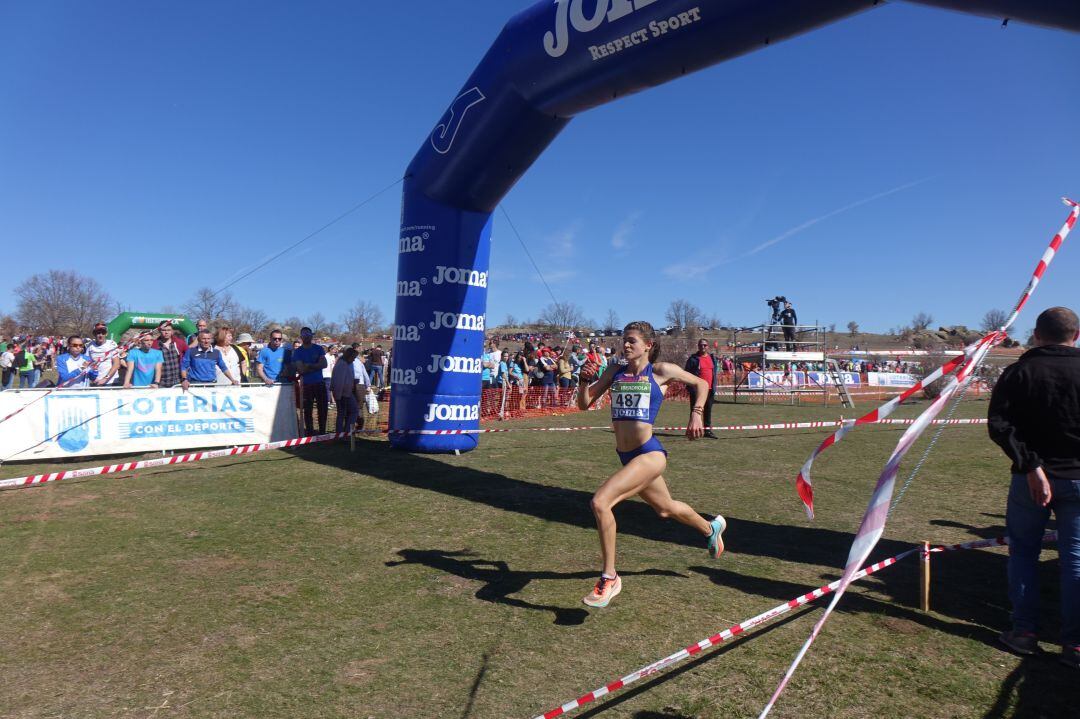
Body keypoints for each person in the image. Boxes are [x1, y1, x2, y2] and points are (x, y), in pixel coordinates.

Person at [576, 321, 726, 607]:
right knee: (665, 508)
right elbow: (584, 404)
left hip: (649, 454)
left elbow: (702, 383)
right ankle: (710, 529)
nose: (626, 345)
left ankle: (609, 578)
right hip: (627, 456)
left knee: (600, 503)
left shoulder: (660, 371)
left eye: (632, 340)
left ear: (649, 345)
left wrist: (696, 413)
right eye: (624, 340)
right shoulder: (614, 371)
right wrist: (583, 381)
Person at [988, 306, 1080, 669]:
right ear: (1075, 335)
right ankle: (1073, 643)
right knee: (1075, 560)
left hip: (1031, 480)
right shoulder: (1020, 370)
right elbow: (1000, 422)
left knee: (1024, 553)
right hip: (1066, 478)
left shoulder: (1019, 371)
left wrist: (1031, 466)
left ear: (1037, 335)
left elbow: (999, 425)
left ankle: (1024, 631)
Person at [291, 327, 328, 436]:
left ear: (312, 336)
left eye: (308, 335)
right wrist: (316, 365)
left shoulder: (318, 349)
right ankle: (310, 432)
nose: (307, 337)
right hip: (306, 385)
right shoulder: (298, 352)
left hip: (320, 383)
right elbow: (300, 369)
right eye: (304, 335)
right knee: (308, 411)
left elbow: (324, 364)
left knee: (323, 409)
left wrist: (309, 365)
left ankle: (322, 432)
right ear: (301, 337)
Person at [685, 338, 720, 438]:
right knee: (695, 411)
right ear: (698, 346)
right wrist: (690, 388)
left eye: (704, 345)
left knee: (708, 410)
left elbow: (714, 373)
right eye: (701, 345)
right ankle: (692, 430)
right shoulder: (693, 359)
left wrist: (714, 386)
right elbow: (686, 373)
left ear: (708, 346)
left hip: (709, 389)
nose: (703, 347)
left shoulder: (712, 358)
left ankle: (707, 431)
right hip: (697, 390)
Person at [153, 323, 188, 388]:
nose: (166, 332)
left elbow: (188, 354)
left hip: (178, 382)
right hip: (161, 383)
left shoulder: (179, 342)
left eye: (168, 330)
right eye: (164, 330)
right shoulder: (154, 344)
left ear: (172, 331)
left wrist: (185, 377)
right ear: (159, 331)